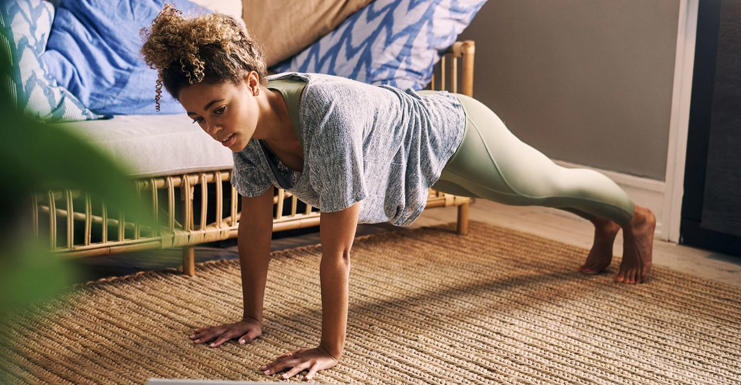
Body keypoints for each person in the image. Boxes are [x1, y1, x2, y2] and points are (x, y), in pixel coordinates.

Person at [141, 5, 656, 382]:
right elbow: (254, 229)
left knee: (543, 186)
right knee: (530, 194)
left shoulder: (324, 114)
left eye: (217, 108)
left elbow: (337, 251)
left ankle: (633, 218)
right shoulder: (244, 135)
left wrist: (330, 348)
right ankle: (603, 221)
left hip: (453, 134)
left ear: (251, 82)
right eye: (196, 118)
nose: (211, 127)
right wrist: (253, 317)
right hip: (412, 163)